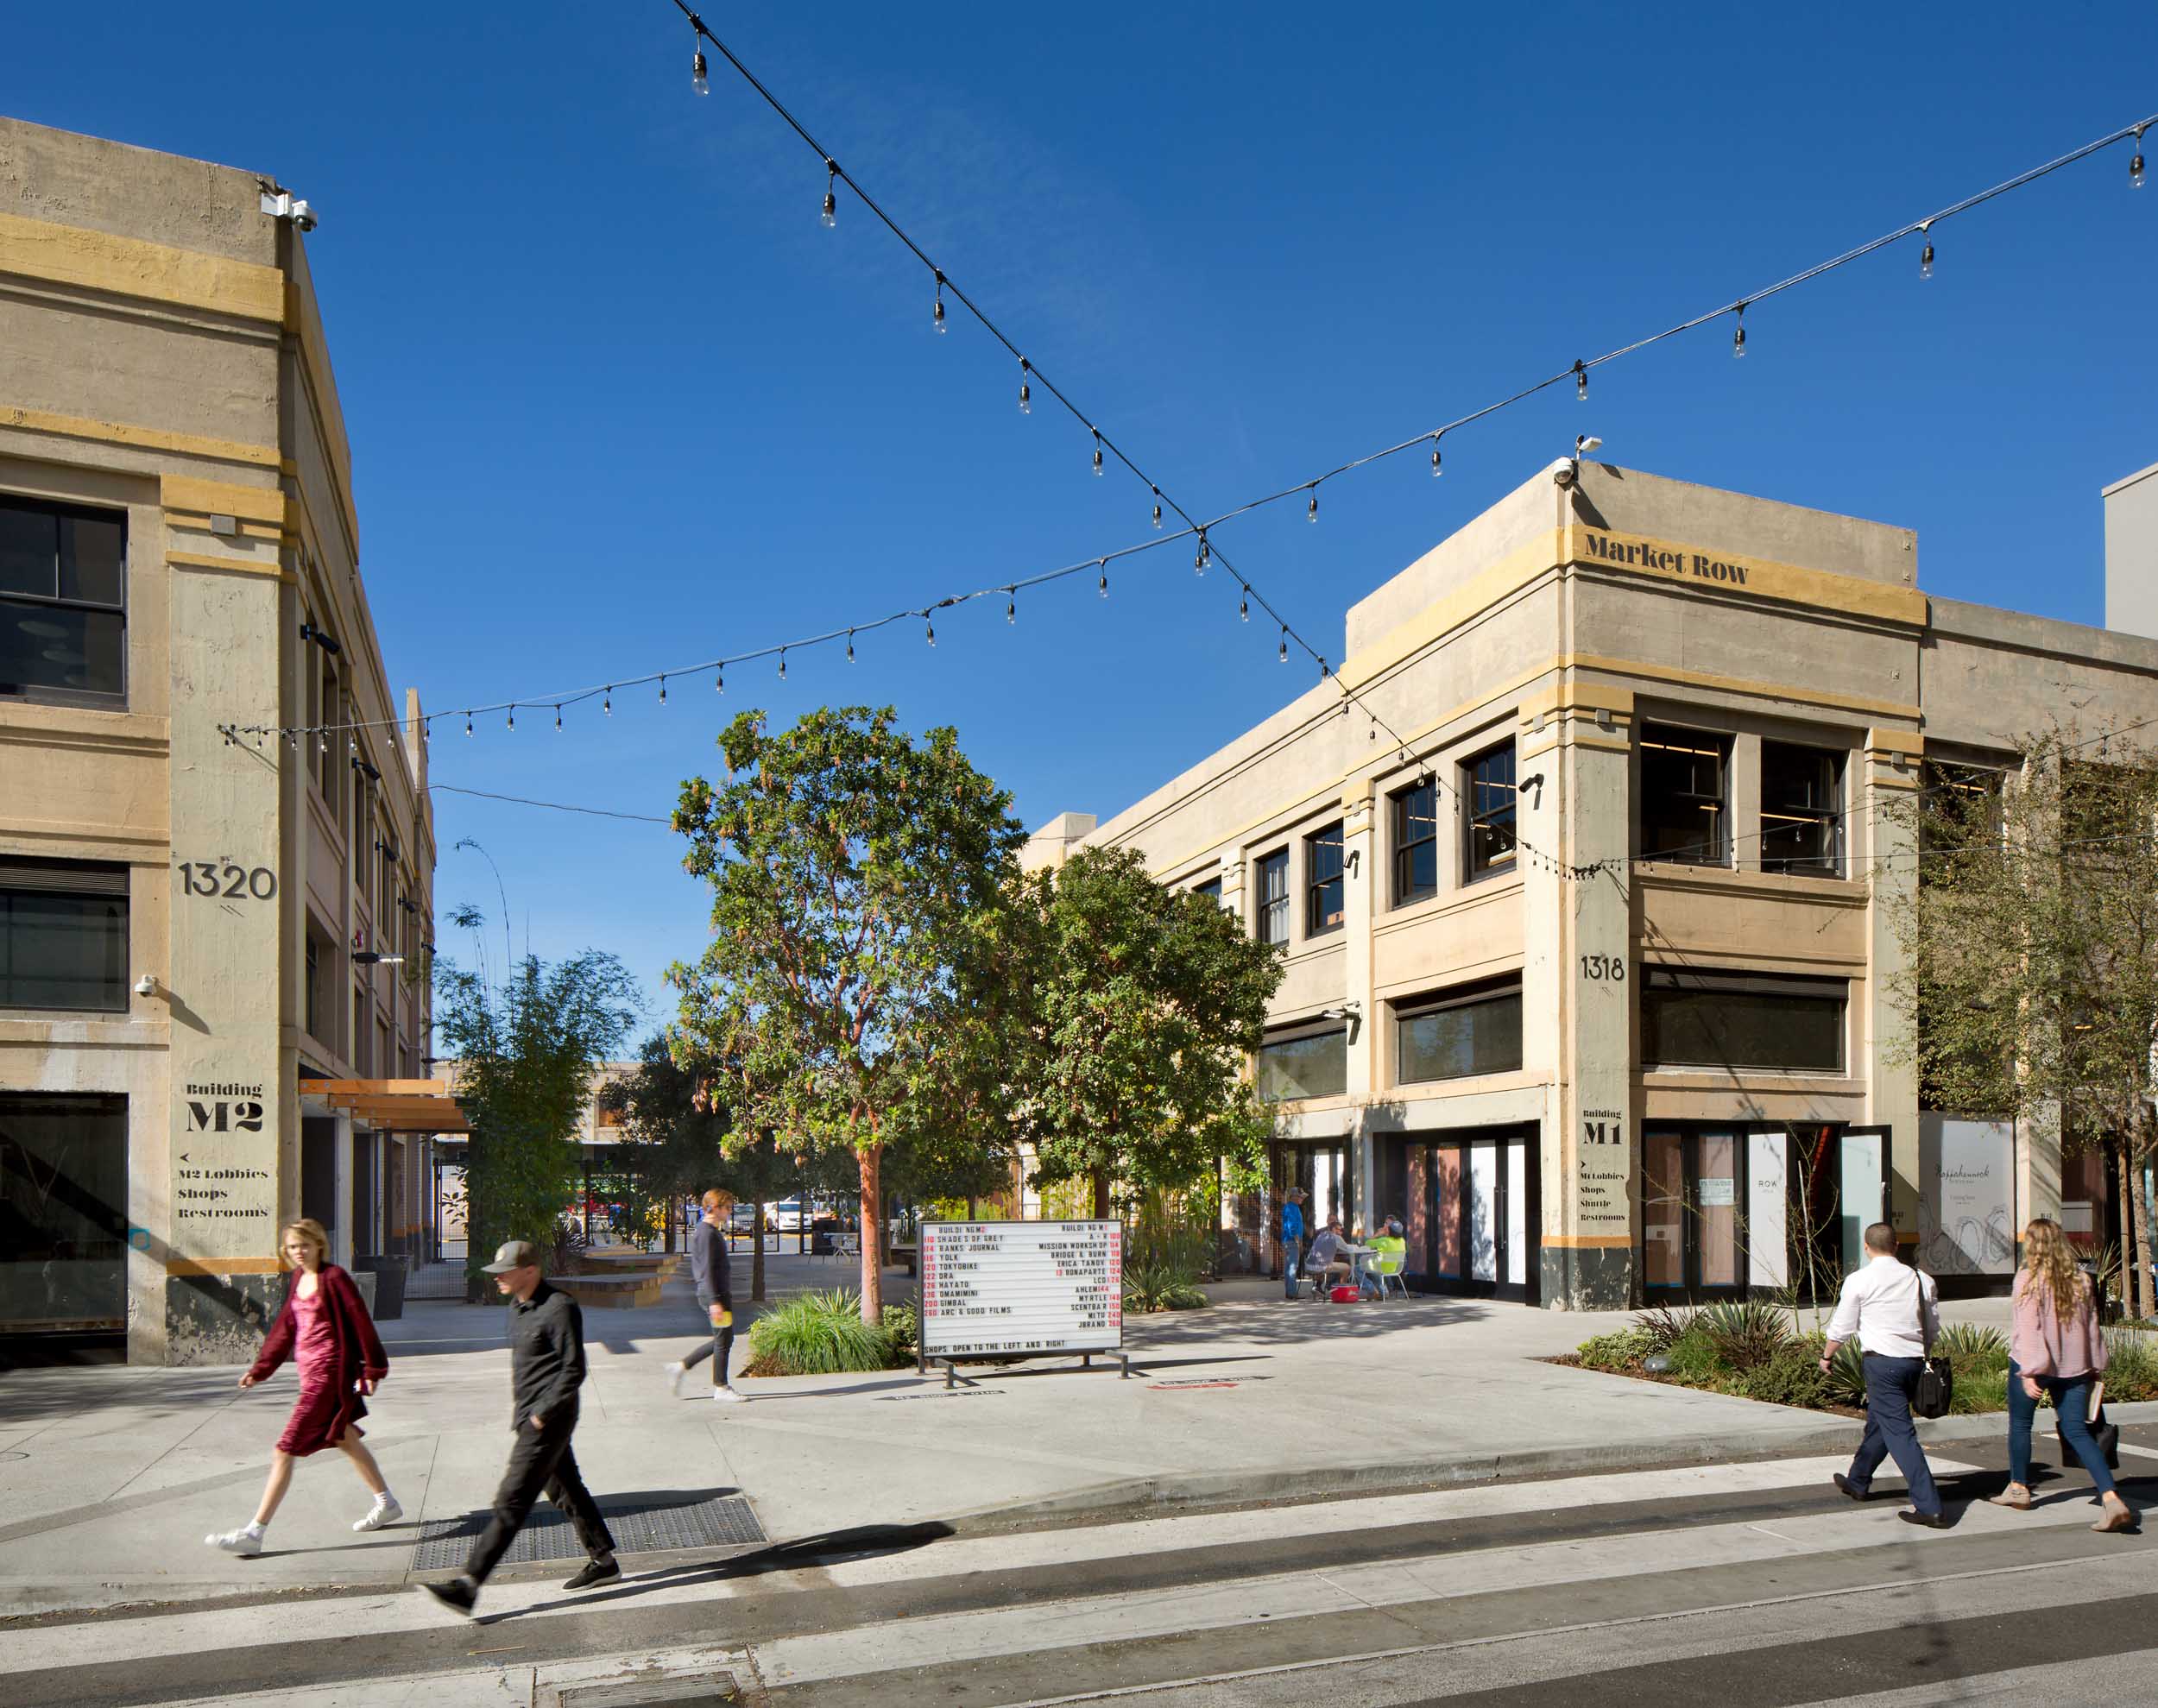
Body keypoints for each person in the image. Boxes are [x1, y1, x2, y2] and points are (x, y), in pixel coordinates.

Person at [419, 1239, 621, 1616]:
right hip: (528, 1415)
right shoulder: (517, 1307)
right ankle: (604, 1560)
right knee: (566, 1488)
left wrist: (542, 1413)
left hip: (548, 1419)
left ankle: (469, 1585)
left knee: (511, 1501)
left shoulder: (559, 1307)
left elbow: (573, 1369)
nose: (498, 1279)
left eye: (505, 1272)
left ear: (530, 1270)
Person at [206, 1219, 395, 1555]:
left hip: (328, 1376)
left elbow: (360, 1321)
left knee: (284, 1449)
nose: (298, 1252)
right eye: (292, 1247)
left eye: (304, 1245)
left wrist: (373, 1368)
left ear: (319, 1244)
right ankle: (387, 1503)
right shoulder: (298, 1278)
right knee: (344, 1437)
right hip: (308, 1375)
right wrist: (261, 1369)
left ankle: (255, 1531)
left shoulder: (334, 1278)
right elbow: (285, 1328)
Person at [1991, 1217, 2136, 1533]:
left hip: (2034, 1364)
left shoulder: (2027, 1279)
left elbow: (2029, 1330)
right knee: (2077, 1432)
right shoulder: (2082, 1280)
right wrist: (2096, 1366)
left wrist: (2029, 1373)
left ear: (2031, 1246)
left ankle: (2019, 1488)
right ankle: (2112, 1500)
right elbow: (2092, 1328)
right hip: (2075, 1367)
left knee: (2020, 1425)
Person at [1819, 1220, 1947, 1528]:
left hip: (1881, 1364)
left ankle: (1929, 1506)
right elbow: (1932, 1328)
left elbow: (1843, 1325)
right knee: (1881, 1422)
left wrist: (1827, 1355)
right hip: (1913, 1362)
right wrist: (1923, 1352)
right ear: (1897, 1246)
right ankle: (1858, 1480)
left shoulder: (1859, 1280)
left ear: (1867, 1247)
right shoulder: (1921, 1279)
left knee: (1901, 1435)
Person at [665, 1188, 741, 1402]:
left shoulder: (710, 1231)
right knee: (723, 1339)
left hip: (718, 1294)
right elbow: (705, 1270)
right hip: (714, 1295)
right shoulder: (706, 1233)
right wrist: (714, 1302)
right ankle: (721, 1387)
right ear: (715, 1207)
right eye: (727, 1207)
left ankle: (680, 1367)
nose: (729, 1211)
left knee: (724, 1338)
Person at [1362, 1218, 1407, 1299]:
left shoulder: (1384, 1241)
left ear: (1390, 1231)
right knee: (1376, 1269)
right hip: (1395, 1269)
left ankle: (1373, 1290)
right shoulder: (1402, 1241)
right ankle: (1384, 1291)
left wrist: (1378, 1234)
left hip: (1380, 1268)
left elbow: (1367, 1243)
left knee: (1358, 1268)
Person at [1279, 1187, 1307, 1301]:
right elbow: (1292, 1226)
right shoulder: (1292, 1208)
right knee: (1292, 1267)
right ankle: (1291, 1292)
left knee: (1288, 1267)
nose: (1302, 1199)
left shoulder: (1291, 1207)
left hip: (1288, 1240)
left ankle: (1290, 1291)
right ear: (1294, 1197)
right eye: (1300, 1197)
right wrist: (1298, 1241)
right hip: (1292, 1241)